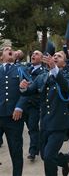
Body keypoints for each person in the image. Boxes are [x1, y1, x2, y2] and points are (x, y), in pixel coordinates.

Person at [20, 51, 69, 176]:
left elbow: (66, 87)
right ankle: (63, 160)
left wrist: (55, 69)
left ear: (64, 64)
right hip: (44, 123)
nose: (55, 57)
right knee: (45, 156)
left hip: (59, 124)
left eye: (59, 56)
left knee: (49, 156)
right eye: (54, 55)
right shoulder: (42, 77)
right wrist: (23, 87)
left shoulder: (68, 76)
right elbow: (29, 91)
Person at [0, 46, 27, 176]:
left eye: (11, 48)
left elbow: (30, 90)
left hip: (14, 118)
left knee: (16, 151)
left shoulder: (21, 70)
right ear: (1, 57)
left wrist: (20, 106)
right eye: (6, 49)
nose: (9, 49)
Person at [24, 50, 47, 161]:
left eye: (36, 54)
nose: (33, 55)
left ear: (42, 59)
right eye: (32, 53)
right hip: (23, 104)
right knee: (27, 128)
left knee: (33, 127)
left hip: (34, 104)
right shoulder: (26, 70)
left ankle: (33, 151)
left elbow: (41, 88)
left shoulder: (44, 72)